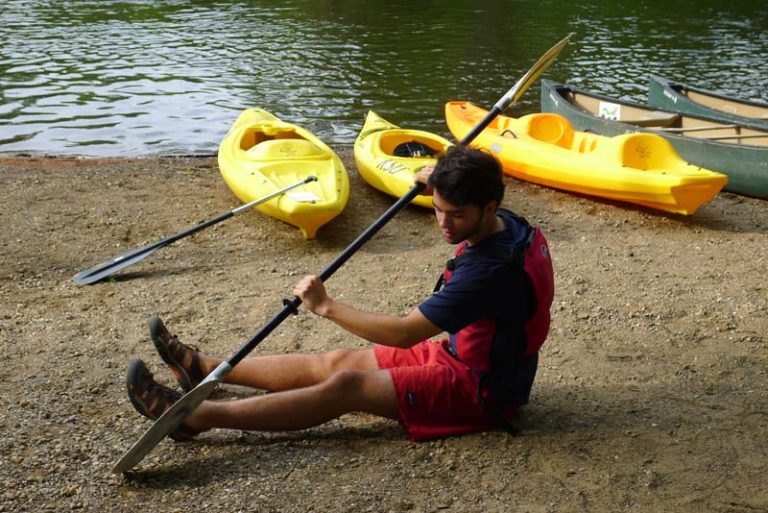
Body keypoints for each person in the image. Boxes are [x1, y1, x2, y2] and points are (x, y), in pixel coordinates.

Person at [125, 144, 555, 442]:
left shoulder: (487, 271)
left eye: (456, 216)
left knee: (347, 385)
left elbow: (405, 333)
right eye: (438, 209)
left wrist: (326, 306)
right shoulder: (509, 223)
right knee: (335, 361)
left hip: (480, 391)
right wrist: (434, 177)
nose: (444, 224)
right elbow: (463, 183)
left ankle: (195, 418)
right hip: (460, 354)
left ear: (489, 207)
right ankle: (203, 367)